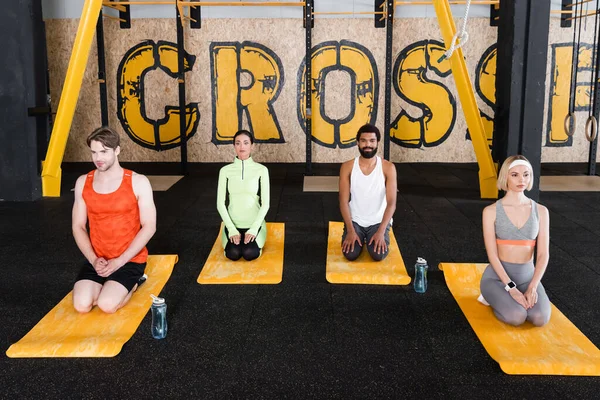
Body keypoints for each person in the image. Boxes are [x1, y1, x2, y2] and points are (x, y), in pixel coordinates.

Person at [72, 127, 156, 314]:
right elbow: (78, 226)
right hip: (98, 259)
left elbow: (149, 226)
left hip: (129, 259)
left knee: (106, 305)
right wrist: (94, 260)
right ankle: (106, 282)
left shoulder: (138, 181)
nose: (98, 158)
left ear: (117, 150)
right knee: (81, 305)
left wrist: (120, 261)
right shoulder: (82, 182)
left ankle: (136, 281)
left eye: (104, 151)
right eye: (94, 152)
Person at [479, 155, 551, 326]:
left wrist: (533, 286)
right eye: (515, 175)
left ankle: (511, 298)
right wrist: (511, 288)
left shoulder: (541, 211)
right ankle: (491, 296)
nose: (521, 180)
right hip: (497, 278)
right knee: (517, 317)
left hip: (528, 278)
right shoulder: (490, 211)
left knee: (540, 318)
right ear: (505, 177)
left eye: (526, 174)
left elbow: (543, 254)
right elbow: (492, 256)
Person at [339, 124, 397, 261]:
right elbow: (343, 201)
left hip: (378, 221)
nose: (368, 145)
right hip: (356, 221)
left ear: (377, 143)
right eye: (364, 141)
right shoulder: (347, 167)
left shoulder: (388, 167)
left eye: (372, 141)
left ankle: (374, 235)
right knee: (350, 254)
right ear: (357, 143)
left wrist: (381, 231)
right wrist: (351, 231)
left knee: (378, 255)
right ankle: (357, 235)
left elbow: (391, 203)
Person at [217, 130, 270, 261]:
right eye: (238, 143)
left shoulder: (262, 170)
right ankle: (233, 238)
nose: (242, 147)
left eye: (246, 143)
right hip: (233, 224)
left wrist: (253, 229)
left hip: (254, 223)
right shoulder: (225, 171)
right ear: (234, 146)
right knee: (233, 254)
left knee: (249, 253)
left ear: (252, 145)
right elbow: (220, 204)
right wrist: (231, 229)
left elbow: (266, 204)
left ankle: (257, 237)